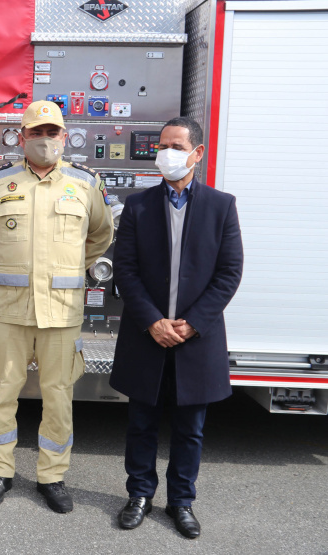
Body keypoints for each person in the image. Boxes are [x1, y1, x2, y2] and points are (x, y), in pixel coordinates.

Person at [0, 100, 114, 512]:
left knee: (59, 397)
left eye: (53, 132)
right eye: (37, 132)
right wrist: (13, 267)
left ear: (64, 136)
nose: (45, 139)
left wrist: (68, 267)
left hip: (63, 312)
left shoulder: (86, 183)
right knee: (2, 395)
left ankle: (52, 476)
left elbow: (101, 234)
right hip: (11, 311)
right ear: (22, 136)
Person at [110, 116, 243, 539]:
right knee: (141, 422)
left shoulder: (222, 206)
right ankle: (139, 495)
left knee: (191, 428)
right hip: (146, 334)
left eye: (175, 145)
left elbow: (229, 272)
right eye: (162, 146)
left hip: (195, 340)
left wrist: (193, 324)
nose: (166, 153)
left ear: (196, 153)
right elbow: (125, 271)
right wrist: (152, 320)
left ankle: (182, 502)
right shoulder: (138, 206)